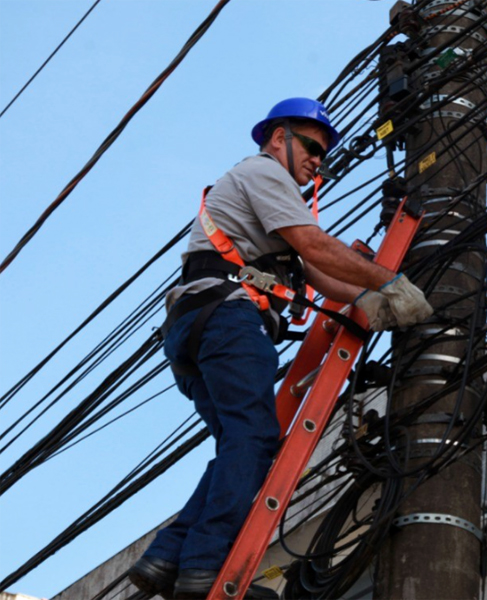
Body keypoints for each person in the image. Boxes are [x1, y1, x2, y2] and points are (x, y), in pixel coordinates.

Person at [127, 98, 432, 600]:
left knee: (240, 441)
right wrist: (391, 282)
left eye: (324, 153)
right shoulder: (265, 174)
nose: (318, 160)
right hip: (226, 315)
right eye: (312, 146)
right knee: (254, 436)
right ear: (277, 138)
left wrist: (364, 298)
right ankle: (205, 565)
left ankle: (167, 556)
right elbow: (314, 246)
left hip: (196, 322)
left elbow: (311, 272)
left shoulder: (264, 197)